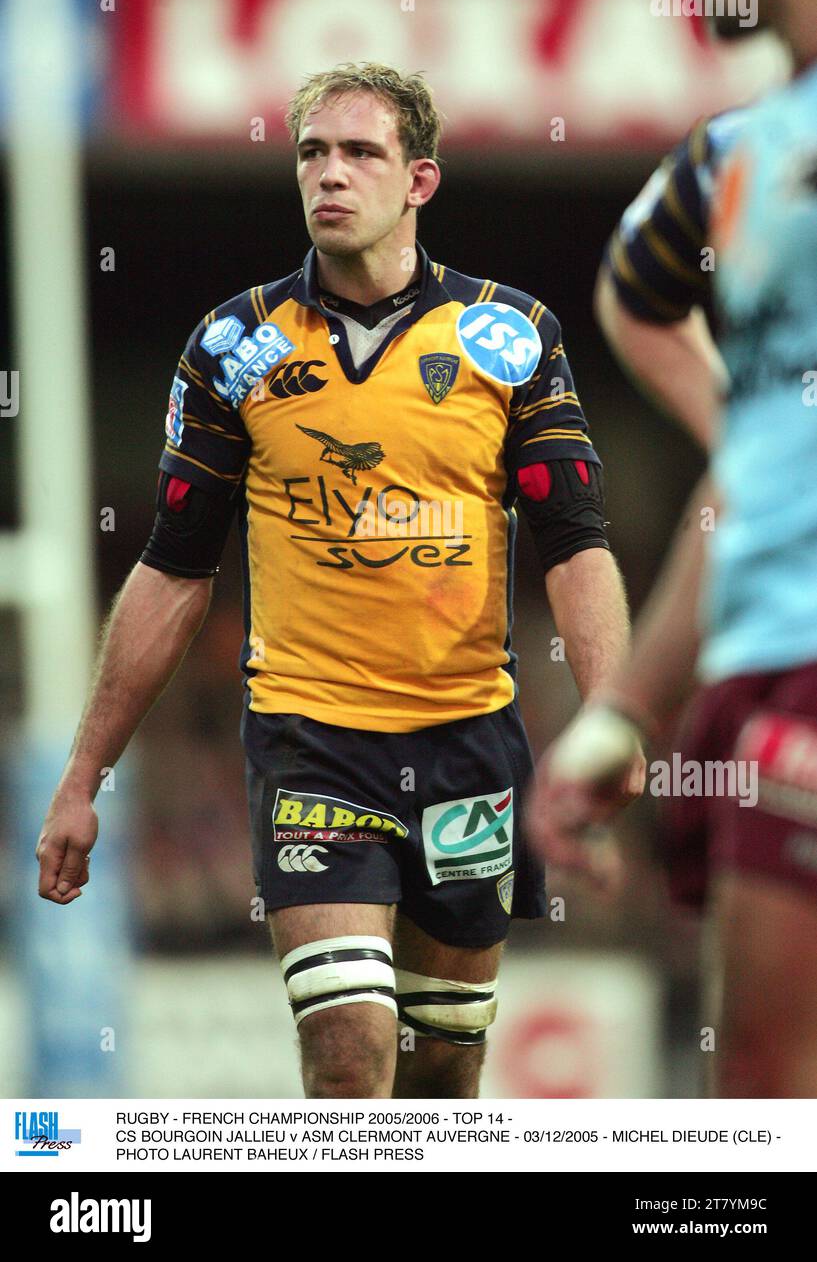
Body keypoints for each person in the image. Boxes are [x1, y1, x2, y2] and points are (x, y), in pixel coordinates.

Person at [36, 62, 640, 1099]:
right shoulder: (236, 346)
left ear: (420, 181)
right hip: (311, 743)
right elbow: (175, 569)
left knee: (444, 1067)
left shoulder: (509, 334)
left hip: (469, 742)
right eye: (312, 152)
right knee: (352, 1051)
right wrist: (84, 776)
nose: (329, 173)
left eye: (360, 152)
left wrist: (613, 720)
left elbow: (575, 545)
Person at [529, 0, 817, 1096]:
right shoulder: (741, 155)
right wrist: (621, 715)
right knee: (752, 1087)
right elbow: (633, 300)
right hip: (753, 656)